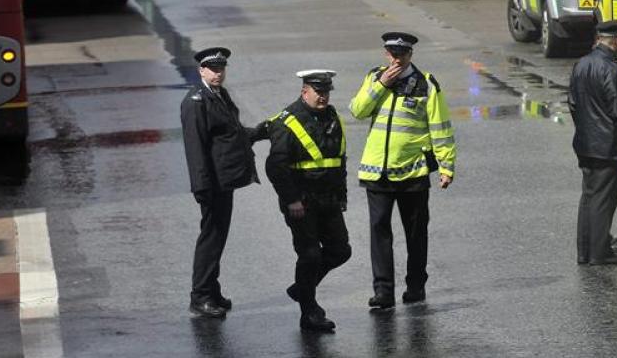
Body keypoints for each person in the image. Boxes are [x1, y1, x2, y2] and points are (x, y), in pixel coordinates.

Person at [349, 32, 456, 309]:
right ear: (386, 54)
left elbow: (440, 127)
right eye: (392, 54)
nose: (396, 59)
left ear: (410, 55)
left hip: (413, 172)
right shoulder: (375, 77)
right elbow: (357, 110)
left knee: (416, 233)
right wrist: (381, 85)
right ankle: (383, 291)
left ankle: (416, 286)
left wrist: (446, 165)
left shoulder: (426, 84)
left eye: (402, 55)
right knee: (379, 231)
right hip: (377, 171)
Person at [261, 70, 351, 331]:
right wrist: (291, 200)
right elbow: (275, 167)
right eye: (318, 91)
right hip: (301, 202)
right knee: (310, 255)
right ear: (304, 92)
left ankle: (302, 288)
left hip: (329, 199)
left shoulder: (332, 116)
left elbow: (339, 160)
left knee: (340, 250)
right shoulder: (288, 121)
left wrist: (341, 196)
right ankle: (309, 314)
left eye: (326, 92)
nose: (323, 96)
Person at [180, 47, 262, 318]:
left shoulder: (219, 94)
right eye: (213, 69)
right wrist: (201, 186)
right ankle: (200, 296)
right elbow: (196, 148)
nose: (218, 74)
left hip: (223, 181)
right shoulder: (195, 102)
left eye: (221, 69)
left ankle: (211, 290)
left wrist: (260, 132)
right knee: (211, 238)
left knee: (218, 237)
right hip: (211, 183)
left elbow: (231, 134)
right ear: (201, 70)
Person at [568, 19, 617, 266]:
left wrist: (584, 131)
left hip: (586, 142)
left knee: (589, 197)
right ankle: (600, 253)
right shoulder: (612, 71)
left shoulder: (581, 65)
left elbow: (573, 104)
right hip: (606, 145)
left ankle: (584, 251)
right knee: (603, 200)